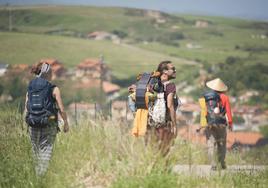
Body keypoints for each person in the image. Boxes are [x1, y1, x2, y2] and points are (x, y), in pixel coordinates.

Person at [24, 61, 69, 176]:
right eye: (52, 71)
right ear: (47, 72)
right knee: (45, 152)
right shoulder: (54, 88)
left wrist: (25, 124)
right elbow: (61, 109)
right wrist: (66, 123)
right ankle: (40, 179)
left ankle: (35, 178)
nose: (53, 74)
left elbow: (26, 107)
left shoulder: (31, 86)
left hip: (33, 123)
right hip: (49, 124)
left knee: (35, 153)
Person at [147, 61, 179, 154]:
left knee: (153, 150)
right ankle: (161, 168)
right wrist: (174, 124)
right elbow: (170, 105)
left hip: (150, 123)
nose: (175, 70)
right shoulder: (170, 86)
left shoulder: (153, 86)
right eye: (172, 69)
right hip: (164, 124)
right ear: (165, 71)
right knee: (164, 151)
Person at [203, 78, 233, 170]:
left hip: (210, 124)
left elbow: (204, 111)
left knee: (211, 143)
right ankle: (222, 162)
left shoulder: (207, 97)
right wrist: (230, 123)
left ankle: (213, 164)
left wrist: (204, 124)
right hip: (221, 124)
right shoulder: (225, 97)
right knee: (222, 143)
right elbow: (228, 111)